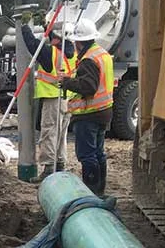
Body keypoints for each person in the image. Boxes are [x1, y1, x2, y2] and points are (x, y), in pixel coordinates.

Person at [59, 18, 114, 196]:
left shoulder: (88, 60)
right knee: (98, 153)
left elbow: (88, 87)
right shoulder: (102, 54)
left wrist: (67, 82)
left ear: (80, 43)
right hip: (103, 111)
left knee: (87, 155)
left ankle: (91, 192)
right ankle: (99, 191)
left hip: (89, 114)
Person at [20, 12, 76, 182]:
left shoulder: (51, 53)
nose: (49, 37)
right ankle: (60, 165)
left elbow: (32, 44)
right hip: (67, 100)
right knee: (60, 135)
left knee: (49, 133)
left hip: (53, 98)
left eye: (51, 35)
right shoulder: (71, 52)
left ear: (57, 38)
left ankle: (48, 169)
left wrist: (24, 27)